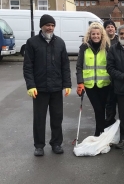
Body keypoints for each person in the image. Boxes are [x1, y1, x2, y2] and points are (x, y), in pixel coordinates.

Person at [23, 14, 71, 156]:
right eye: (47, 25)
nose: (50, 28)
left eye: (52, 25)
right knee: (39, 118)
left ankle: (56, 143)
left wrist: (67, 84)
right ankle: (39, 145)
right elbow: (28, 67)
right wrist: (30, 85)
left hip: (56, 88)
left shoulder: (60, 43)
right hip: (40, 89)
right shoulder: (32, 43)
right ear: (41, 26)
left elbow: (65, 65)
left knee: (57, 117)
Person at [76, 22, 111, 137]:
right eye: (93, 34)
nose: (95, 36)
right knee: (98, 108)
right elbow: (79, 66)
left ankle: (102, 131)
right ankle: (99, 132)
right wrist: (80, 82)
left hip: (105, 84)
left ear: (102, 35)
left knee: (104, 108)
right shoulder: (84, 47)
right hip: (90, 85)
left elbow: (111, 64)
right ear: (89, 35)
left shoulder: (106, 47)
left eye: (98, 34)